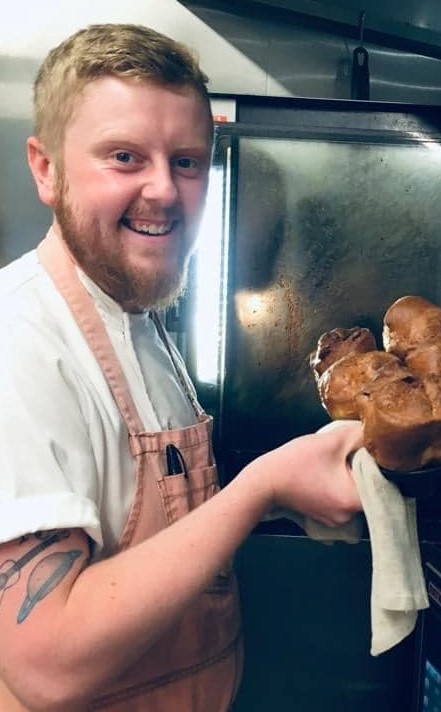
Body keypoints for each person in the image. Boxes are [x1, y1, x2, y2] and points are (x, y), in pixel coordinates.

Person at [0, 23, 363, 712]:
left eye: (188, 161)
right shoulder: (18, 342)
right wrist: (259, 489)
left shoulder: (139, 315)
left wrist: (292, 490)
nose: (164, 190)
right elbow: (44, 666)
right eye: (125, 157)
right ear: (45, 168)